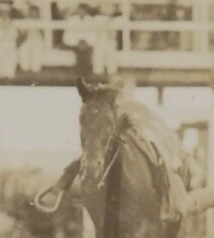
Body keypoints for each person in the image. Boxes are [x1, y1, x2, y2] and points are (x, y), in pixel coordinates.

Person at [35, 79, 191, 222]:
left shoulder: (136, 112)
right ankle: (59, 186)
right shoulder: (106, 114)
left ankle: (166, 197)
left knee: (156, 157)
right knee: (90, 154)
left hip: (153, 142)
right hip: (121, 138)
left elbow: (154, 136)